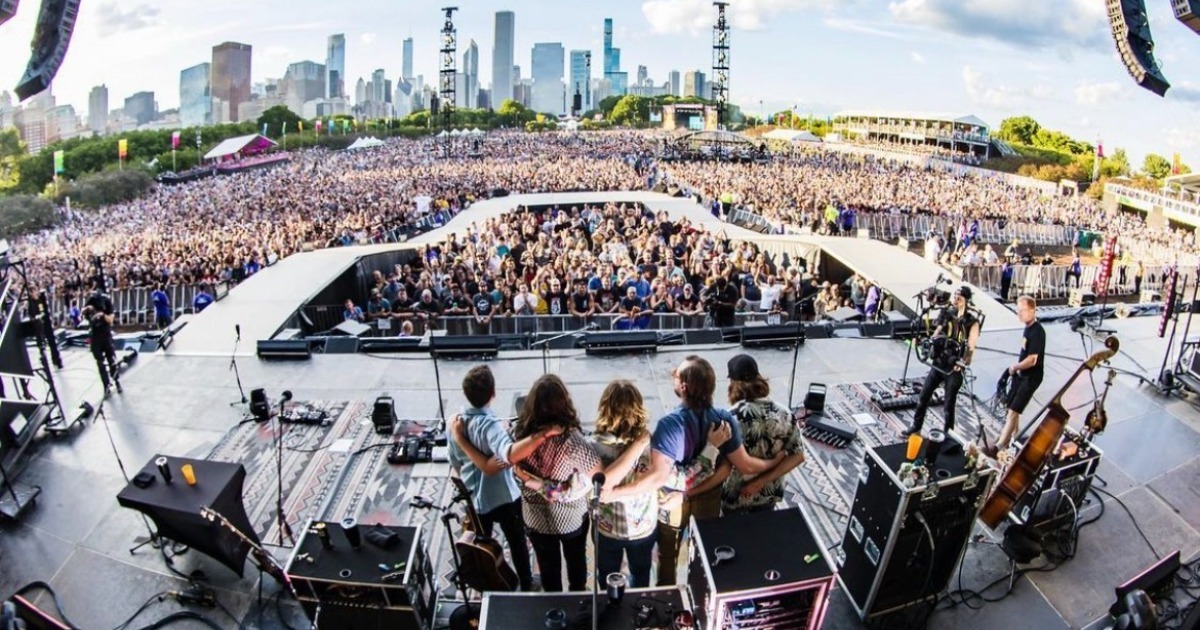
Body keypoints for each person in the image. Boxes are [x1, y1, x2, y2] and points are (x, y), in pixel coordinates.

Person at [605, 356, 783, 586]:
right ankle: (700, 593)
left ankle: (668, 595)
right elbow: (738, 466)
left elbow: (659, 476)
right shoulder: (723, 419)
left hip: (672, 500)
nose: (673, 377)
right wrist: (774, 463)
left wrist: (617, 492)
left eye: (676, 375)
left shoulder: (669, 425)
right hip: (708, 496)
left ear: (684, 387)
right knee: (705, 552)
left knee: (667, 554)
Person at [447, 366, 564, 592]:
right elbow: (505, 457)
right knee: (517, 541)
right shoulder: (492, 427)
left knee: (483, 546)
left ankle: (490, 586)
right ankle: (527, 582)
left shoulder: (454, 424)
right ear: (493, 393)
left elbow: (456, 463)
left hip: (476, 501)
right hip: (505, 496)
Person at [508, 375, 603, 592]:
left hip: (536, 519)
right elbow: (597, 476)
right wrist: (567, 488)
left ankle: (554, 612)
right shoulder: (572, 440)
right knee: (576, 563)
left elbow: (511, 467)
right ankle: (577, 601)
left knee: (548, 571)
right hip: (570, 518)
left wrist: (533, 482)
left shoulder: (518, 435)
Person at [695, 355, 806, 515]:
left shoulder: (730, 418)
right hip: (767, 496)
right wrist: (760, 482)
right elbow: (798, 456)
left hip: (735, 497)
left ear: (733, 383)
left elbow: (721, 465)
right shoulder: (785, 414)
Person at [591, 381, 657, 587]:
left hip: (607, 528)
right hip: (642, 526)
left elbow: (597, 486)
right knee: (641, 573)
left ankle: (609, 608)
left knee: (606, 576)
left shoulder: (595, 445)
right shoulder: (651, 443)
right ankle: (640, 610)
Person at [904, 286, 981, 436]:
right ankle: (916, 425)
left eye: (960, 297)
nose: (956, 299)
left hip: (954, 367)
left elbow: (971, 346)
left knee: (948, 404)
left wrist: (964, 362)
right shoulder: (947, 313)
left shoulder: (972, 322)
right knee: (924, 396)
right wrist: (925, 343)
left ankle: (948, 434)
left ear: (966, 300)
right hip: (940, 363)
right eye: (955, 296)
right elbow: (937, 333)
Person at [987, 296, 1045, 456]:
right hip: (1022, 374)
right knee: (1012, 407)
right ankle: (1015, 437)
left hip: (1031, 378)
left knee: (1013, 411)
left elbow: (1033, 359)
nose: (1019, 314)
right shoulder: (1027, 328)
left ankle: (999, 446)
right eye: (1018, 310)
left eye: (1022, 311)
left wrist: (1015, 367)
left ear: (1032, 311)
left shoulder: (1038, 332)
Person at [84, 289, 121, 394]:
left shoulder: (107, 302)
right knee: (100, 363)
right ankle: (106, 385)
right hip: (95, 336)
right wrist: (88, 309)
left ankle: (116, 381)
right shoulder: (91, 301)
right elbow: (82, 313)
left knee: (111, 360)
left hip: (105, 334)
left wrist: (102, 315)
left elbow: (110, 319)